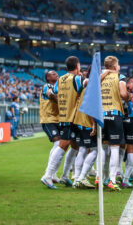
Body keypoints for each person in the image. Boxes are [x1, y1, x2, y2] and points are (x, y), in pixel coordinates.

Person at [41, 56, 86, 189]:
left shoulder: (60, 80)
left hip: (64, 116)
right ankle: (48, 175)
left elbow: (55, 93)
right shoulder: (77, 79)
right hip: (72, 117)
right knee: (63, 145)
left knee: (75, 146)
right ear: (77, 66)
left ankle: (65, 176)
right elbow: (86, 86)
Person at [97, 56, 128, 191]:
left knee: (103, 148)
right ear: (115, 66)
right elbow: (123, 94)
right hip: (114, 114)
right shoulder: (119, 77)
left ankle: (99, 177)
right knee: (115, 148)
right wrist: (129, 97)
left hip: (101, 115)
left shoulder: (99, 77)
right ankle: (112, 179)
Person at [40, 70, 61, 189]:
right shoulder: (47, 86)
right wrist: (63, 101)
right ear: (48, 78)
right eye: (53, 74)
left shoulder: (57, 87)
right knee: (58, 143)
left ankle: (52, 174)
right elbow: (51, 96)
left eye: (56, 73)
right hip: (48, 119)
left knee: (60, 145)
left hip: (57, 119)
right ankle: (48, 174)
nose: (56, 74)